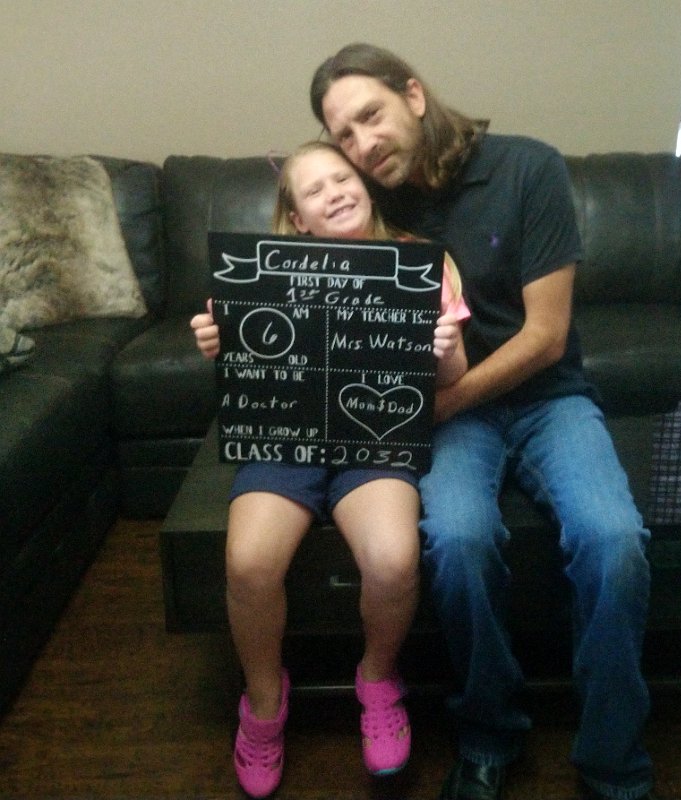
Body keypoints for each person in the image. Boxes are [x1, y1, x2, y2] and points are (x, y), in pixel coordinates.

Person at [309, 44, 658, 800]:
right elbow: (304, 275)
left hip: (546, 397)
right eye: (344, 135)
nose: (363, 144)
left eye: (370, 115)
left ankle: (613, 759)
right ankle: (488, 733)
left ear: (413, 95)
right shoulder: (370, 205)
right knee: (457, 540)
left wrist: (436, 407)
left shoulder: (529, 168)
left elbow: (546, 338)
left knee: (614, 540)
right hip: (454, 414)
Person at [191, 140, 470, 799]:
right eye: (314, 190)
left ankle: (377, 679)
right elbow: (245, 367)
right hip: (282, 440)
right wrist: (217, 345)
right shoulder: (261, 270)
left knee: (393, 561)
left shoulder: (421, 264)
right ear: (297, 218)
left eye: (342, 178)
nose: (335, 193)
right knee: (248, 564)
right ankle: (264, 702)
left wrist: (448, 348)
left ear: (366, 185)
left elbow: (452, 380)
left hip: (376, 438)